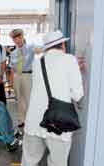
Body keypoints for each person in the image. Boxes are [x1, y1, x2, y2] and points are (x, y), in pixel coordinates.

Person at [22, 31, 84, 166]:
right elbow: (77, 94)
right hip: (59, 123)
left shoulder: (37, 63)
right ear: (62, 44)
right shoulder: (70, 60)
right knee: (57, 163)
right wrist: (75, 69)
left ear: (47, 47)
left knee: (29, 161)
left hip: (34, 121)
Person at [9, 29, 42, 128]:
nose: (18, 40)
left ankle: (31, 120)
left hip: (27, 75)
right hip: (16, 76)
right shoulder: (13, 52)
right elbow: (12, 69)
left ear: (23, 36)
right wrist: (11, 81)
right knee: (19, 99)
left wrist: (41, 49)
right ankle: (21, 120)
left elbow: (39, 50)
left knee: (28, 99)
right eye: (15, 38)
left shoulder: (30, 47)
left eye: (19, 37)